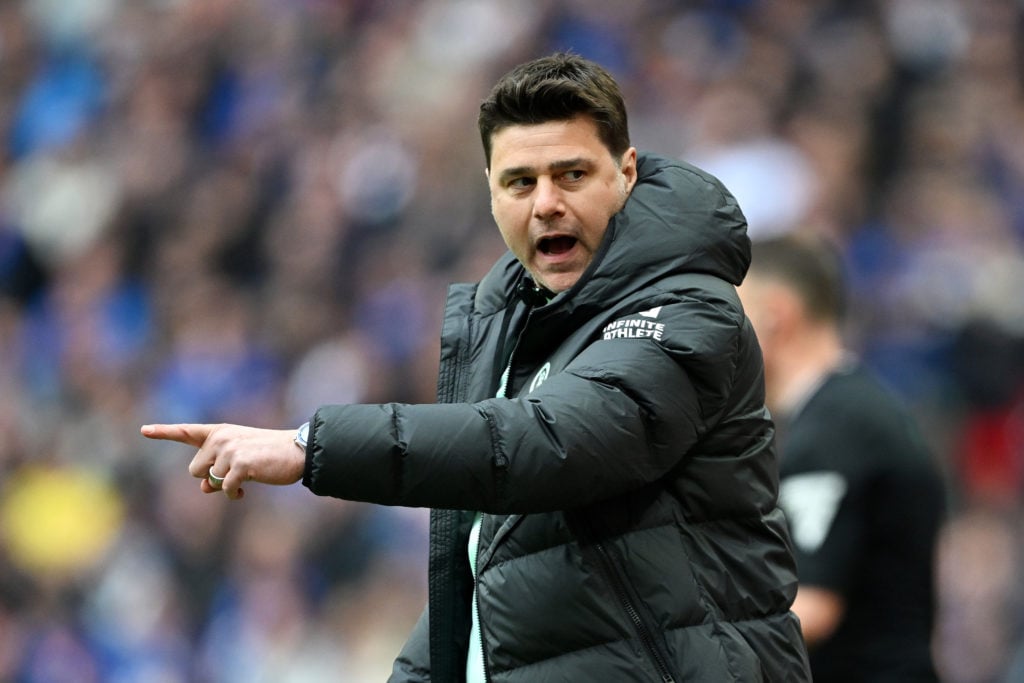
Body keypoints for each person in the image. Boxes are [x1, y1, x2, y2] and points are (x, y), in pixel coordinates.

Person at [143, 53, 811, 682]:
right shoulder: (517, 330)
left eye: (571, 174)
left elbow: (548, 444)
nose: (545, 202)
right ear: (491, 197)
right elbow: (484, 567)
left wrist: (310, 445)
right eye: (519, 182)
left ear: (626, 173)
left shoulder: (687, 310)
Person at [738, 234, 947, 682]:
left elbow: (811, 606)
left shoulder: (837, 426)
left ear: (776, 317)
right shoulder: (850, 409)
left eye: (734, 314)